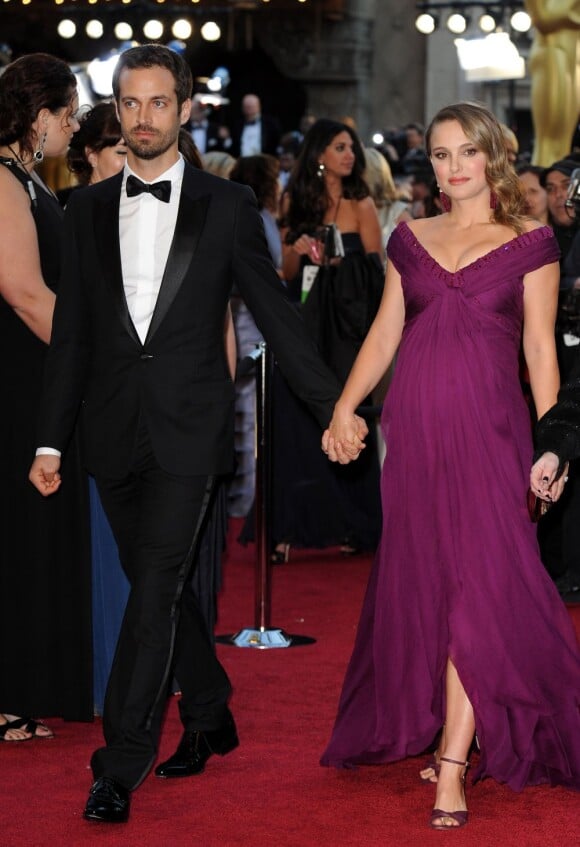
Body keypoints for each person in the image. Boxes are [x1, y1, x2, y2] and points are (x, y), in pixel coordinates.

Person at [28, 44, 345, 824]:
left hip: (191, 433)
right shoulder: (85, 209)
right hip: (110, 435)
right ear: (117, 110)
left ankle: (117, 763)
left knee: (157, 589)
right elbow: (71, 337)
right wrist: (49, 441)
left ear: (184, 108)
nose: (142, 118)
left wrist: (336, 405)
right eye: (128, 104)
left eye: (157, 103)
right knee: (156, 588)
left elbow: (274, 316)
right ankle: (208, 707)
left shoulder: (226, 206)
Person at [320, 102, 580, 828]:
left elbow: (539, 351)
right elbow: (384, 330)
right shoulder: (410, 238)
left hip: (495, 438)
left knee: (479, 590)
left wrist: (552, 447)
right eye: (440, 154)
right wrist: (346, 407)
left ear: (492, 154)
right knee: (436, 587)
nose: (454, 165)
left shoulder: (532, 243)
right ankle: (454, 733)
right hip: (418, 438)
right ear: (428, 164)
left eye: (467, 151)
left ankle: (456, 764)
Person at [0, 53, 92, 741]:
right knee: (17, 532)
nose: (76, 123)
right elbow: (26, 293)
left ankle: (25, 686)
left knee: (32, 531)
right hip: (18, 381)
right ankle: (8, 693)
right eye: (69, 112)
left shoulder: (26, 180)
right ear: (39, 117)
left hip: (38, 376)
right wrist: (103, 354)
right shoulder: (3, 181)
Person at [262, 118, 384, 558]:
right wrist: (296, 253)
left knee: (347, 412)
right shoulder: (297, 201)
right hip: (306, 324)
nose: (349, 154)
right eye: (339, 146)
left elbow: (376, 270)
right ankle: (291, 526)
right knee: (296, 419)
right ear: (319, 155)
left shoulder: (361, 202)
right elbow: (291, 278)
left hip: (349, 326)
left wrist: (339, 265)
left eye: (351, 146)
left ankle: (356, 525)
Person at [525, 0, 580, 165]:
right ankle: (544, 179)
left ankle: (557, 179)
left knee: (564, 134)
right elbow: (543, 18)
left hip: (573, 57)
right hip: (553, 52)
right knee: (551, 132)